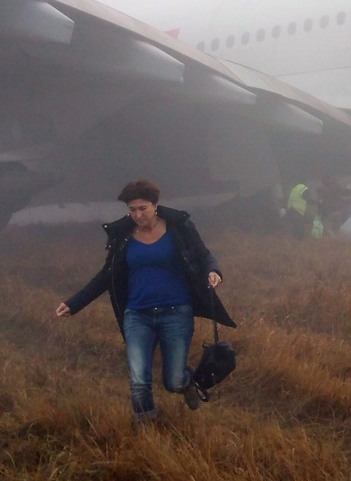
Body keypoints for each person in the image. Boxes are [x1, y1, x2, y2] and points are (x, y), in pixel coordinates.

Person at [56, 180, 235, 421]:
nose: (137, 215)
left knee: (172, 381)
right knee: (139, 380)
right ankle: (147, 427)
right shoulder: (123, 237)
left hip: (176, 312)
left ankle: (186, 382)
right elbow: (105, 276)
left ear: (155, 205)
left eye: (142, 208)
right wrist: (74, 303)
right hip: (137, 315)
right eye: (132, 210)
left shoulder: (178, 228)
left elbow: (204, 256)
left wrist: (213, 272)